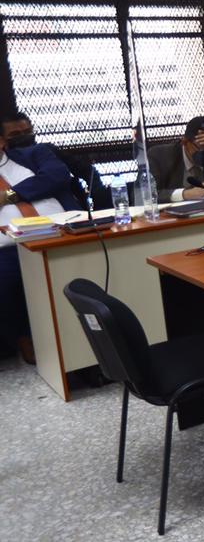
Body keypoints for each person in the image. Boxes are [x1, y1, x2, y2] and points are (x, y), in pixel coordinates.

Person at [1, 130, 78, 364]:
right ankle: (25, 336)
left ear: (2, 140)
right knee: (4, 281)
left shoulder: (34, 154)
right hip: (8, 246)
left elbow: (56, 175)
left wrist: (9, 196)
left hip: (61, 233)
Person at [2, 111, 108, 210]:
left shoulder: (42, 150)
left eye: (27, 132)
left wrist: (99, 203)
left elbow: (58, 176)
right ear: (2, 139)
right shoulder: (6, 159)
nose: (23, 137)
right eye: (15, 134)